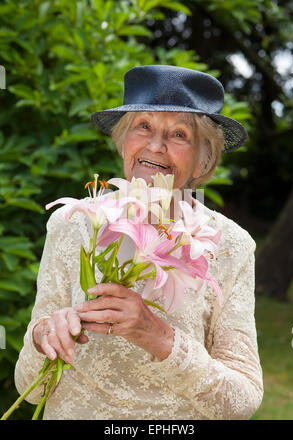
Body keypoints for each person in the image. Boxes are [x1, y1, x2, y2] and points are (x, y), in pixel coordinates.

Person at [14, 65, 263, 420]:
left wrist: (159, 336)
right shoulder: (74, 224)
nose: (155, 146)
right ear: (123, 139)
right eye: (143, 126)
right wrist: (42, 339)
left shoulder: (231, 246)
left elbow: (243, 400)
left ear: (203, 157)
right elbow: (31, 386)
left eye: (179, 134)